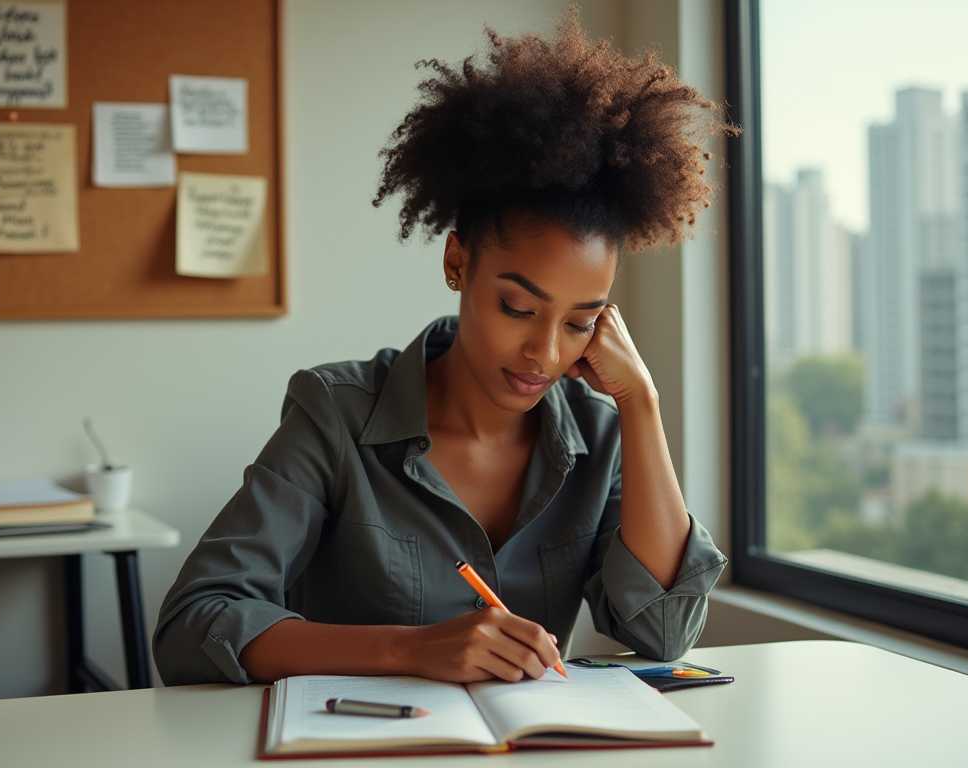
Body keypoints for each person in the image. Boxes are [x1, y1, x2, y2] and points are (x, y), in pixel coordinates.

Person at [154, 9, 734, 687]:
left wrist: (642, 404)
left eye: (580, 321)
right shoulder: (337, 414)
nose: (544, 353)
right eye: (517, 308)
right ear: (458, 263)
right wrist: (409, 650)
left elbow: (663, 633)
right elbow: (193, 624)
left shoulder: (600, 438)